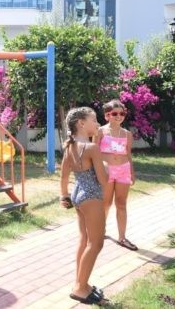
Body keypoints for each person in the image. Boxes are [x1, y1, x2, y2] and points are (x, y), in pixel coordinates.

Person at [60, 107, 110, 305]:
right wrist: (106, 166)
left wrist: (63, 196)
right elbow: (104, 180)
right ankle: (81, 289)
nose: (97, 124)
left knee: (85, 239)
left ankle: (81, 282)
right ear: (81, 123)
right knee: (96, 243)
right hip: (91, 197)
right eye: (94, 120)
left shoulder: (70, 146)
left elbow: (64, 176)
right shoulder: (91, 148)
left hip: (78, 195)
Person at [96, 99, 137, 251]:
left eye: (122, 113)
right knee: (106, 203)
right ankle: (101, 231)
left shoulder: (127, 134)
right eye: (115, 113)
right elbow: (94, 152)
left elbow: (129, 154)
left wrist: (132, 172)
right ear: (107, 115)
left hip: (123, 170)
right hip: (107, 171)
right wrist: (98, 169)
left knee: (121, 203)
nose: (119, 116)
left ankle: (122, 237)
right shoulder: (100, 131)